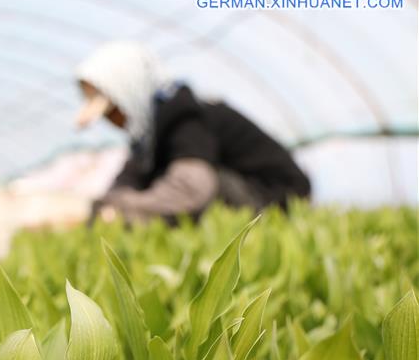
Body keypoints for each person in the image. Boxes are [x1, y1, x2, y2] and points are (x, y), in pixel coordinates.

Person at [75, 42, 311, 224]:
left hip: (277, 199)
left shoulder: (185, 117)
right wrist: (104, 206)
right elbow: (131, 178)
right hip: (250, 197)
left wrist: (121, 210)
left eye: (113, 110)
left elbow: (192, 190)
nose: (113, 121)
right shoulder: (149, 135)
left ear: (130, 92)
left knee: (197, 186)